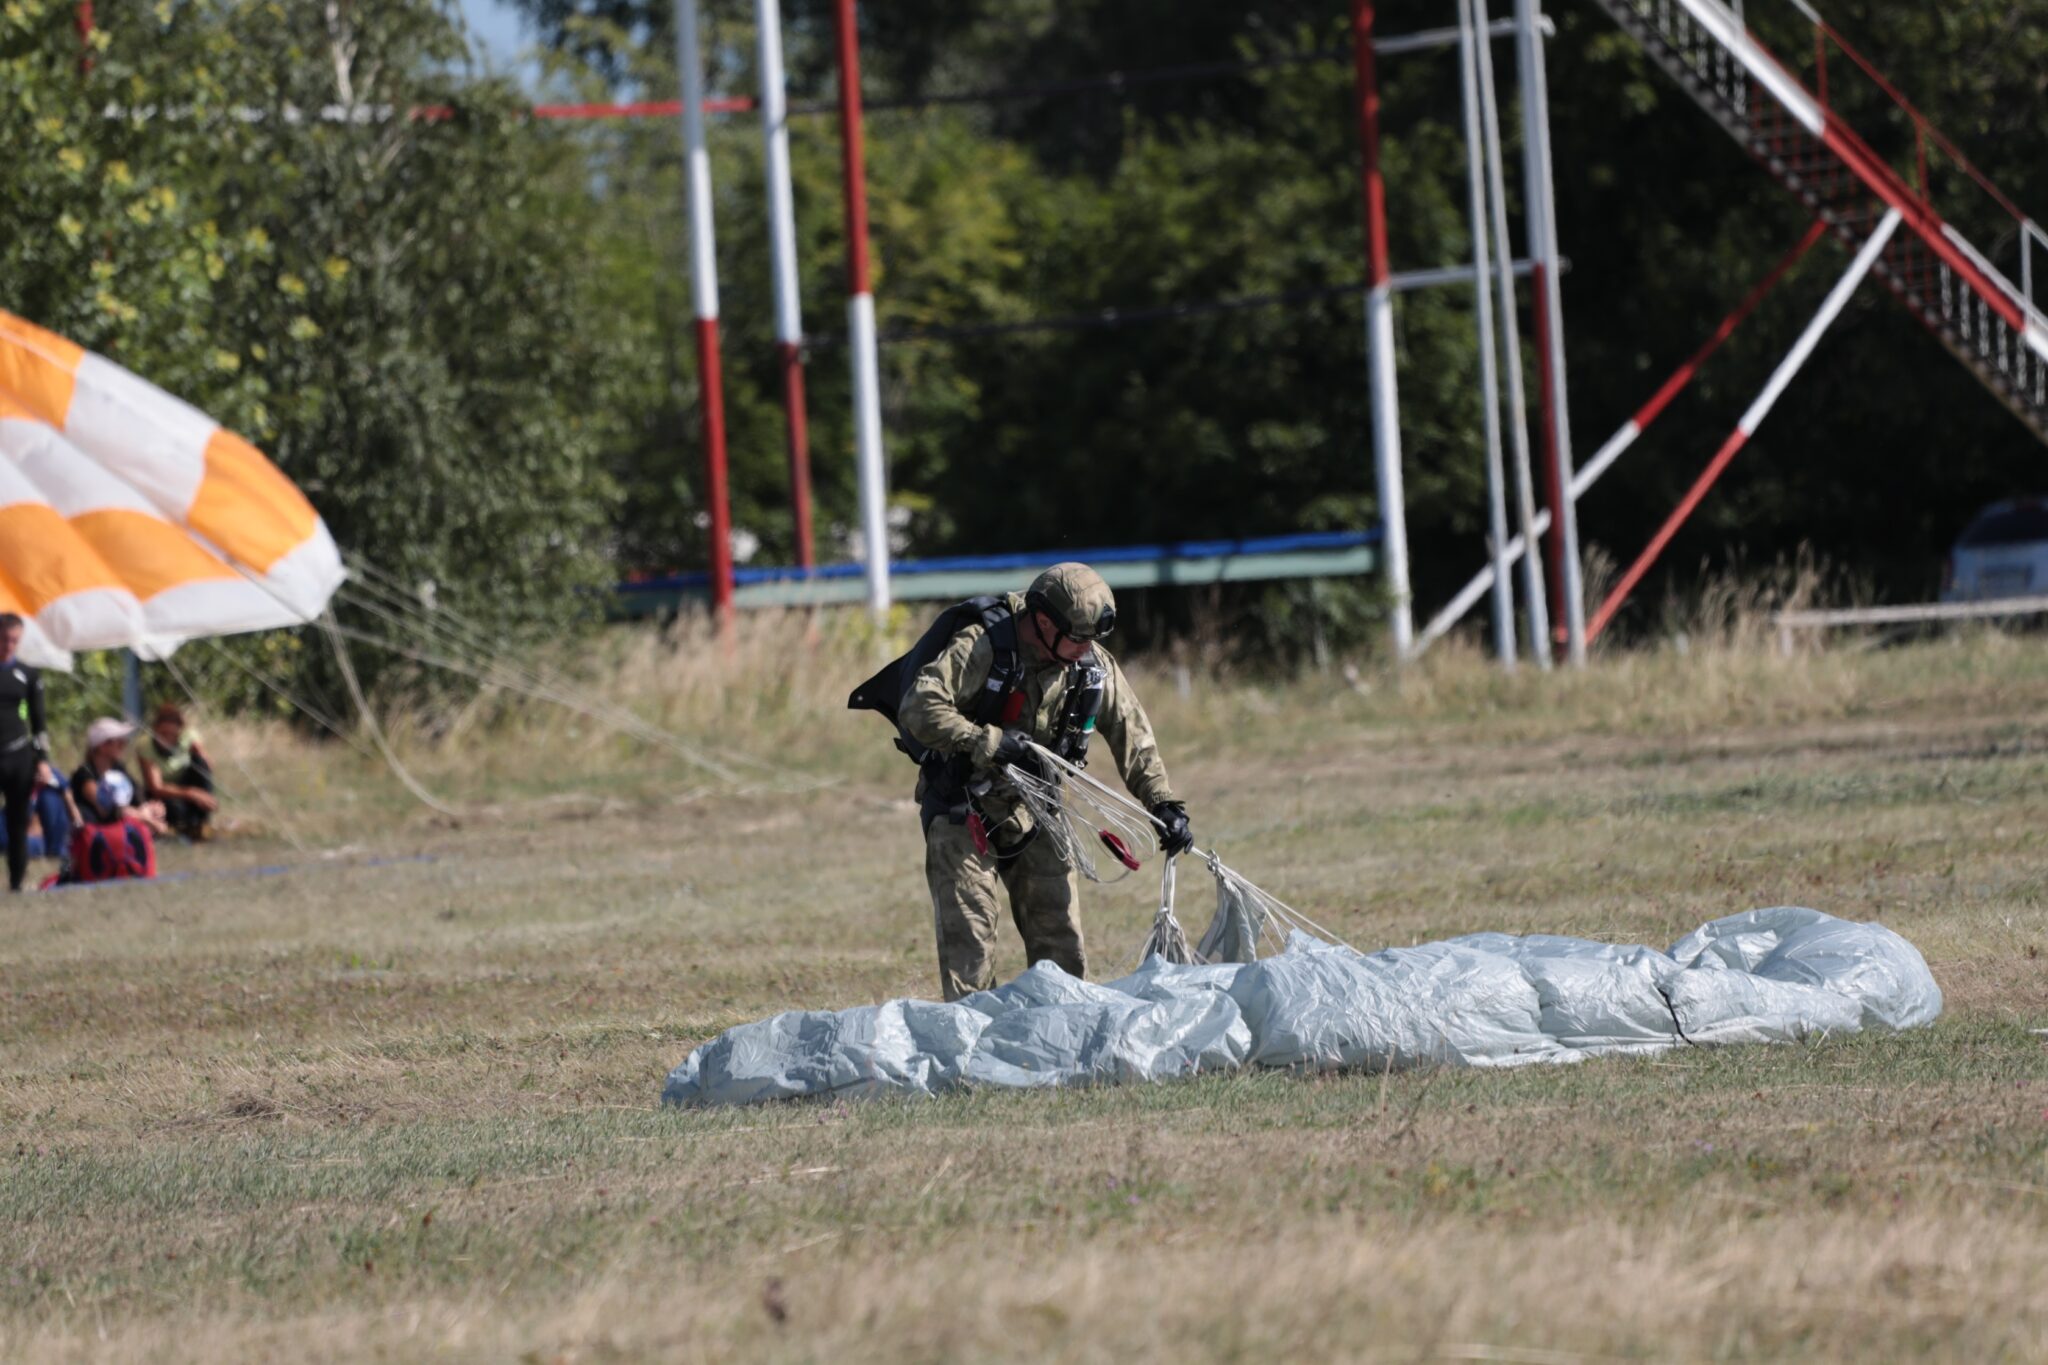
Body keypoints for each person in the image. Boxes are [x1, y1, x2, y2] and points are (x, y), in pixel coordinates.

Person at [851, 563, 1194, 1001]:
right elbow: (919, 707)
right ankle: (973, 1058)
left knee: (1062, 945)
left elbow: (1133, 734)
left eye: (1092, 640)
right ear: (1045, 622)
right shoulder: (984, 646)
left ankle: (1064, 1045)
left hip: (1039, 813)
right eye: (1078, 637)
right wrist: (986, 741)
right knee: (970, 950)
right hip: (962, 811)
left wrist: (1162, 803)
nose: (1086, 649)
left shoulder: (1089, 663)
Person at [0, 613, 62, 893]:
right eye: (4, 639)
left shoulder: (27, 674)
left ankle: (16, 882)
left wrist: (43, 761)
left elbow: (38, 722)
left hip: (18, 757)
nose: (9, 645)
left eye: (14, 640)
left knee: (17, 823)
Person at [71, 717, 169, 836]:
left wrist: (150, 808)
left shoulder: (118, 768)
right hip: (99, 832)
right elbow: (107, 807)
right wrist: (146, 819)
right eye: (119, 741)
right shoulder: (85, 774)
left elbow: (136, 793)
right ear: (103, 746)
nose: (124, 744)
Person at [138, 702, 218, 840]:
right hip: (165, 793)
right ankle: (185, 826)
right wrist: (191, 793)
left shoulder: (189, 737)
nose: (166, 739)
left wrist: (198, 752)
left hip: (186, 785)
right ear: (154, 729)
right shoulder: (145, 745)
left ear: (180, 732)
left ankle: (203, 819)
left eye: (172, 734)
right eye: (162, 734)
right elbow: (156, 787)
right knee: (176, 809)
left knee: (200, 763)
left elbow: (207, 765)